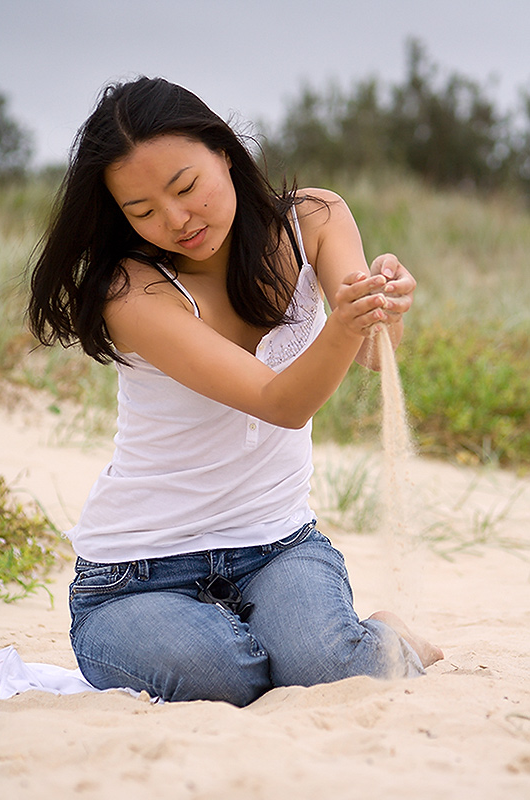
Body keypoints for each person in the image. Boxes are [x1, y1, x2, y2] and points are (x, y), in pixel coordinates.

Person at [28, 76, 442, 707]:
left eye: (185, 187)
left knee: (326, 667)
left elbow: (371, 353)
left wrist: (383, 305)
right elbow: (282, 402)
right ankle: (258, 637)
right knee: (226, 678)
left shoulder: (317, 220)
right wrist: (346, 319)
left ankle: (384, 634)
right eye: (141, 211)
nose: (175, 220)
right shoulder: (131, 291)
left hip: (277, 544)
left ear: (224, 151)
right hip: (137, 576)